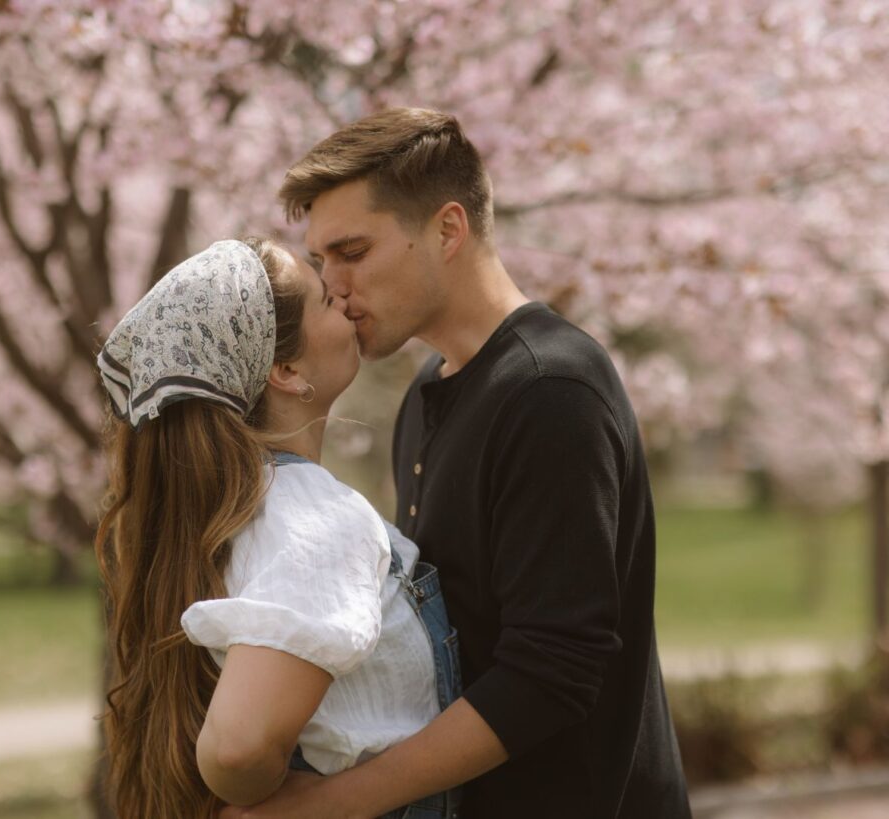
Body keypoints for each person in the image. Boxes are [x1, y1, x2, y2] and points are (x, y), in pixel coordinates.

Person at [221, 109, 692, 818]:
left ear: (447, 229)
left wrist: (327, 804)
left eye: (352, 250)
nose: (334, 285)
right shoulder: (423, 397)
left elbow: (552, 672)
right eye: (321, 260)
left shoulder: (550, 388)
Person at [94, 237, 462, 819]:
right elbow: (237, 747)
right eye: (322, 298)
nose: (342, 295)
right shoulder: (316, 518)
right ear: (286, 370)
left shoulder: (236, 514)